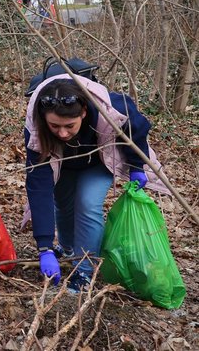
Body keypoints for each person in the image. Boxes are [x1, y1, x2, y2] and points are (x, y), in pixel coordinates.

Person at [25, 75, 170, 292]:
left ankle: (84, 271)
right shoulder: (35, 128)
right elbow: (39, 187)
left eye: (69, 125)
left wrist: (137, 166)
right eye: (54, 126)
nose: (62, 133)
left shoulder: (110, 109)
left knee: (87, 203)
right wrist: (44, 247)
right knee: (62, 205)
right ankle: (66, 250)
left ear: (83, 112)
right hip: (62, 163)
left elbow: (136, 127)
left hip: (99, 160)